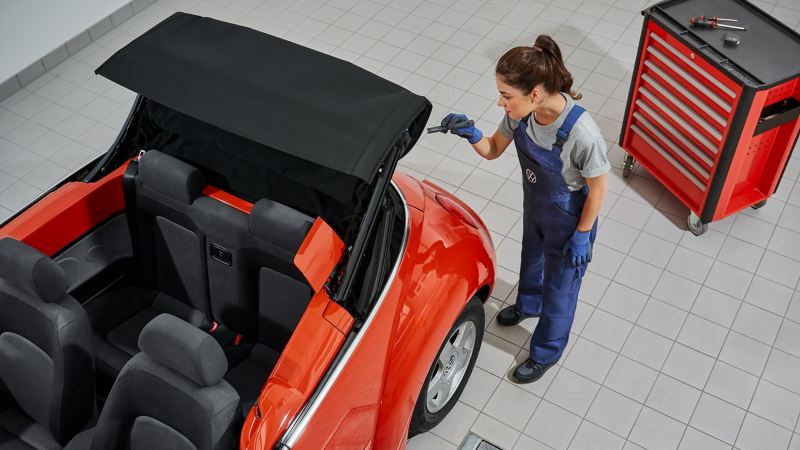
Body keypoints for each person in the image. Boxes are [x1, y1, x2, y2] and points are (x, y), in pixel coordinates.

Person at [441, 35, 610, 384]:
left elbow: (598, 192)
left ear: (534, 94)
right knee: (530, 260)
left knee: (561, 291)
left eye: (506, 95)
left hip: (569, 222)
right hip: (536, 207)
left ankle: (547, 351)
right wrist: (471, 134)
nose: (500, 102)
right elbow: (492, 150)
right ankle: (527, 304)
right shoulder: (521, 117)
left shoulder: (583, 134)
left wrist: (581, 236)